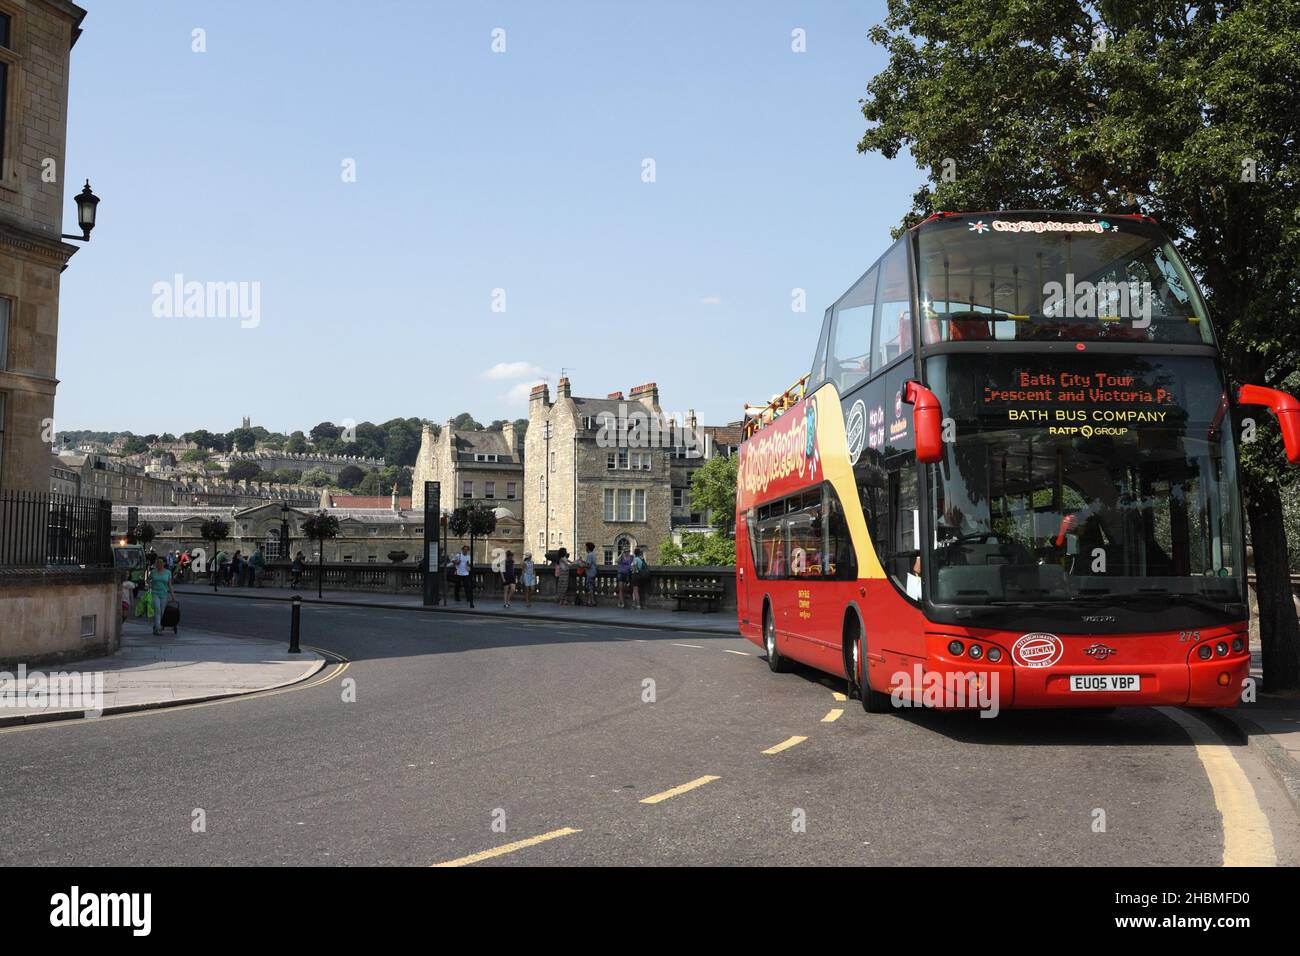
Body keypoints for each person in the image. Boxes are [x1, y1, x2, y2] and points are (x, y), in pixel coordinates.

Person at [148, 555, 175, 636]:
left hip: (164, 594)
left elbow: (170, 585)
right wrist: (150, 585)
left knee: (162, 612)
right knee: (157, 610)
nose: (158, 564)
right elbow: (148, 580)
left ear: (164, 563)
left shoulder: (168, 572)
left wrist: (173, 595)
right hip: (155, 593)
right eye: (157, 562)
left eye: (160, 562)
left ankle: (155, 626)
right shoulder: (153, 572)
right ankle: (158, 629)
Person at [582, 542, 598, 606]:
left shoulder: (589, 555)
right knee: (590, 587)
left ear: (588, 548)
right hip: (593, 572)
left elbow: (588, 565)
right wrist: (583, 561)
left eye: (586, 547)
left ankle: (593, 601)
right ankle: (589, 601)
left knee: (590, 588)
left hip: (590, 573)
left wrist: (582, 565)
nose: (585, 548)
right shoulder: (593, 554)